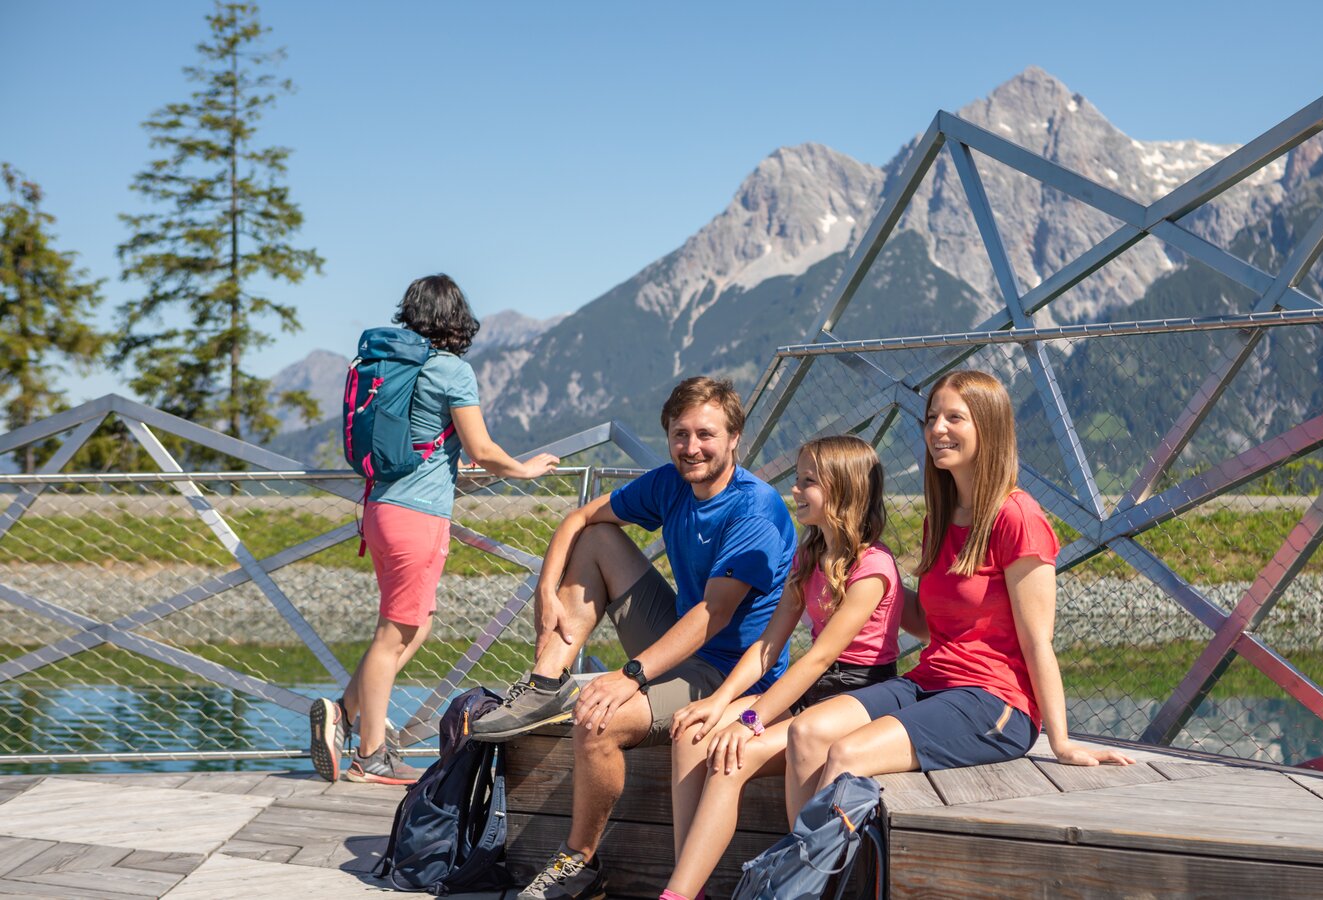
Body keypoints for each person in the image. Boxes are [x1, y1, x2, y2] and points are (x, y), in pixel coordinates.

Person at [471, 376, 797, 900]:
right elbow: (580, 518)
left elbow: (713, 614)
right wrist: (546, 590)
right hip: (679, 640)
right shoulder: (670, 483)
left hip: (728, 677)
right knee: (599, 537)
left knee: (597, 722)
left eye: (706, 435)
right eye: (680, 434)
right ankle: (544, 683)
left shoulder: (754, 509)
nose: (691, 447)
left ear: (735, 438)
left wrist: (630, 676)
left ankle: (579, 862)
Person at [784, 370, 1134, 823]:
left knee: (847, 753)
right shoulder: (942, 517)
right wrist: (864, 575)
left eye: (954, 417)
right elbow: (927, 622)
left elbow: (1037, 641)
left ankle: (816, 865)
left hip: (995, 701)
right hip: (932, 681)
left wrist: (1061, 742)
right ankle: (801, 859)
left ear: (988, 427)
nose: (937, 429)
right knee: (807, 732)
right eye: (931, 417)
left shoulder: (1018, 517)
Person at [308, 274, 559, 785]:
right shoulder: (451, 371)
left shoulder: (389, 365)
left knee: (416, 625)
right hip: (417, 517)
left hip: (380, 509)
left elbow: (424, 438)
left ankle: (343, 714)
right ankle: (370, 756)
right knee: (392, 635)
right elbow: (482, 449)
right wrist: (525, 469)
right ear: (457, 319)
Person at [661, 435, 915, 900]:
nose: (795, 490)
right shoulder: (811, 555)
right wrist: (720, 703)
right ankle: (687, 889)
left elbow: (820, 658)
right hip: (814, 692)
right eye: (798, 479)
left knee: (733, 756)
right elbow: (768, 644)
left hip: (856, 696)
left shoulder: (873, 567)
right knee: (694, 733)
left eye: (807, 482)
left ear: (843, 490)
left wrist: (750, 720)